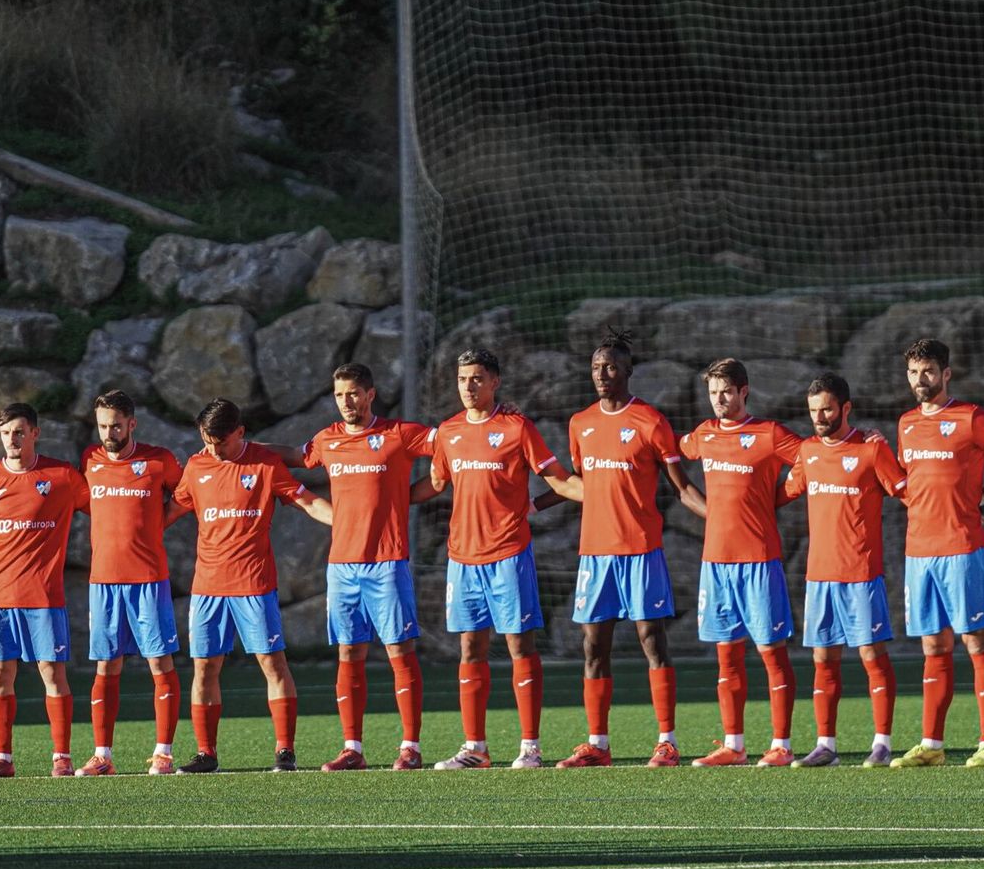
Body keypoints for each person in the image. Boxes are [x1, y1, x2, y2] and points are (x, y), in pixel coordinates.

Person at [552, 329, 707, 769]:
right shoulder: (579, 423)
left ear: (628, 371)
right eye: (597, 367)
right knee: (592, 646)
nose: (603, 374)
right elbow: (580, 483)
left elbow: (681, 489)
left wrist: (720, 519)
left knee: (650, 638)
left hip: (641, 549)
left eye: (612, 366)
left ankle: (667, 741)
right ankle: (597, 744)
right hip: (594, 553)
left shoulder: (651, 422)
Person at [420, 348, 580, 769]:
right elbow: (435, 483)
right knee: (469, 648)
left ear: (495, 382)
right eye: (462, 380)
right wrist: (379, 500)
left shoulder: (516, 427)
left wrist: (605, 494)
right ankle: (475, 748)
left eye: (476, 379)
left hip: (509, 553)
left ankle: (530, 747)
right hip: (462, 558)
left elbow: (558, 481)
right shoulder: (449, 432)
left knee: (519, 646)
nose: (468, 387)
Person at [169, 397, 333, 773]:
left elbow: (307, 501)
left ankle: (284, 752)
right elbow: (172, 511)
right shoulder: (196, 466)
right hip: (207, 587)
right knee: (204, 669)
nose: (213, 449)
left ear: (240, 432)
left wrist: (347, 523)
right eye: (207, 441)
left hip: (253, 584)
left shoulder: (264, 464)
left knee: (272, 663)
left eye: (221, 442)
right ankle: (206, 753)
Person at [297, 363, 436, 772]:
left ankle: (410, 746)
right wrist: (242, 446)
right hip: (342, 566)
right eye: (340, 395)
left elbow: (450, 446)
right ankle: (352, 748)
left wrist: (413, 494)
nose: (347, 401)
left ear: (371, 394)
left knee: (399, 651)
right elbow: (298, 458)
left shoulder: (398, 434)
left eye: (354, 393)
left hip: (387, 562)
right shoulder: (327, 440)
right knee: (349, 652)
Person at [889, 338, 984, 769]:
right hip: (919, 551)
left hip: (962, 546)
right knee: (933, 646)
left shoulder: (971, 416)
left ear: (946, 374)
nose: (920, 381)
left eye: (927, 372)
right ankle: (932, 744)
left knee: (977, 641)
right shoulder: (904, 424)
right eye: (913, 373)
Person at [678, 358, 804, 767]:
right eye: (713, 392)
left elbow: (812, 458)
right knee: (726, 656)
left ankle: (781, 744)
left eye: (726, 392)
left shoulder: (768, 434)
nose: (719, 400)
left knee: (772, 653)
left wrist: (780, 495)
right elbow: (669, 451)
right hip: (715, 563)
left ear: (744, 391)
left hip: (759, 561)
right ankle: (733, 744)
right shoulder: (703, 436)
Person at [778, 373, 907, 768]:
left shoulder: (871, 450)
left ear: (845, 408)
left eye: (827, 409)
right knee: (823, 659)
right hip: (820, 576)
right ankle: (826, 746)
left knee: (871, 654)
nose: (820, 417)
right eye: (814, 410)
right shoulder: (807, 452)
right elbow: (783, 493)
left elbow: (906, 494)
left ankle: (882, 743)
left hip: (861, 573)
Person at [0, 402, 90, 779]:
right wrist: (2, 572)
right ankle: (3, 759)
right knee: (0, 675)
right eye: (5, 433)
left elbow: (102, 509)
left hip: (43, 598)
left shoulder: (62, 476)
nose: (12, 439)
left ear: (35, 433)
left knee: (52, 673)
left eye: (19, 432)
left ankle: (62, 758)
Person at [73, 390, 186, 777]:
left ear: (131, 423)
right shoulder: (90, 460)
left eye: (116, 425)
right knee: (107, 665)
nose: (109, 432)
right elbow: (90, 504)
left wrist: (158, 523)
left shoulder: (159, 461)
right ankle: (102, 755)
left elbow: (186, 495)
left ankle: (163, 753)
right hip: (103, 580)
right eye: (103, 425)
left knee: (159, 662)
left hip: (148, 579)